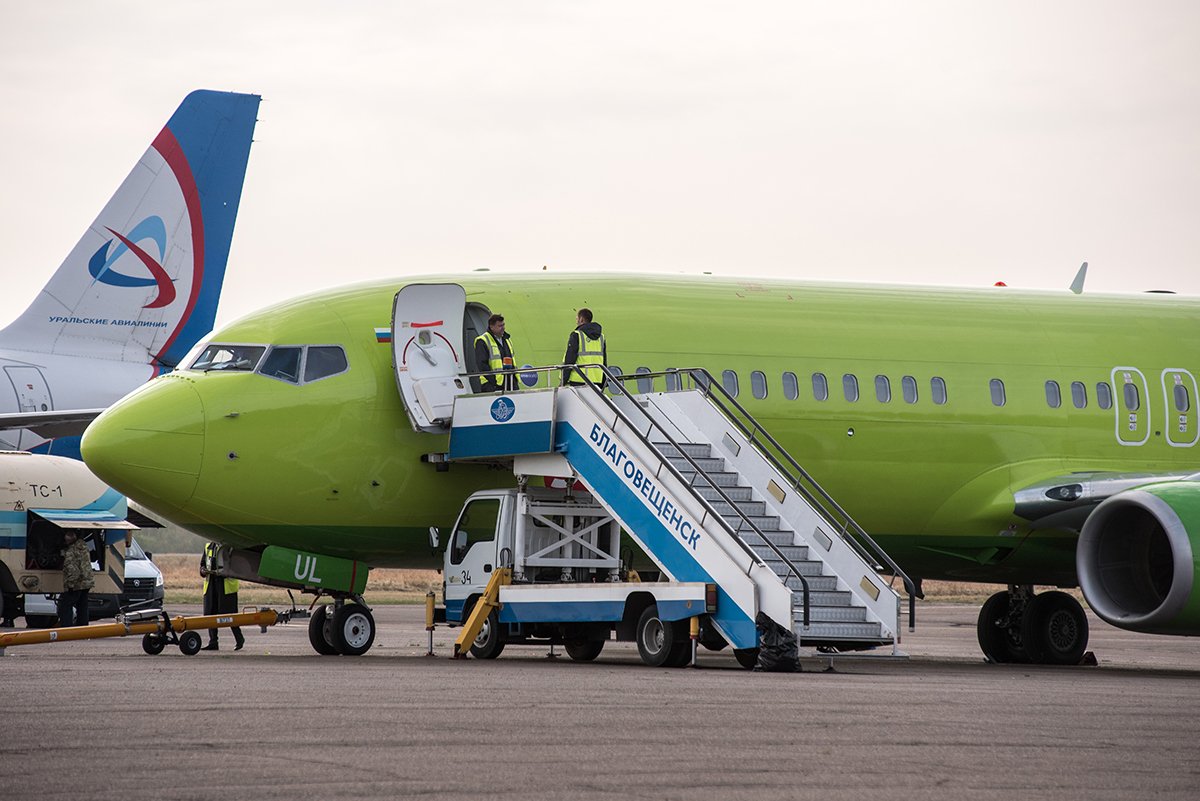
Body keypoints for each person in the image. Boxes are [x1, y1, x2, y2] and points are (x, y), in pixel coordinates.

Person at [200, 541, 244, 651]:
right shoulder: (208, 546)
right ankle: (213, 642)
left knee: (229, 614)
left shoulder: (230, 546)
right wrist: (203, 571)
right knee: (210, 613)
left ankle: (239, 639)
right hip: (211, 584)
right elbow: (202, 564)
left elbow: (238, 567)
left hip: (226, 585)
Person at [473, 313, 519, 392]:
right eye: (500, 326)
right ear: (491, 327)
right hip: (492, 385)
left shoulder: (507, 339)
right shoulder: (482, 341)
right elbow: (482, 365)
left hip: (510, 382)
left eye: (503, 325)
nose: (503, 328)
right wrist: (494, 381)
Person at [58, 530, 94, 627]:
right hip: (87, 581)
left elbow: (73, 570)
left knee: (65, 606)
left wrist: (70, 585)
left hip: (76, 584)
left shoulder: (70, 552)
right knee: (82, 606)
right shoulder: (83, 546)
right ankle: (82, 628)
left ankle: (66, 628)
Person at [562, 307, 606, 387]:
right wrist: (604, 380)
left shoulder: (577, 335)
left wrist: (563, 380)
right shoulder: (601, 337)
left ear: (581, 319)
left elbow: (570, 359)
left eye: (577, 319)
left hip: (578, 379)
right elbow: (604, 360)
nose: (576, 322)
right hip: (597, 380)